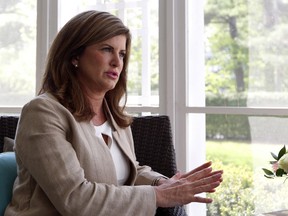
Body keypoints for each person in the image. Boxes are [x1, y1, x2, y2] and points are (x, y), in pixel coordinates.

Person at [5, 10, 223, 216]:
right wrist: (159, 196)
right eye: (106, 49)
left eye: (122, 53)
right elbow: (76, 198)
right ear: (74, 56)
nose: (117, 62)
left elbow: (127, 171)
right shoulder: (43, 113)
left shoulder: (113, 115)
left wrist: (161, 182)